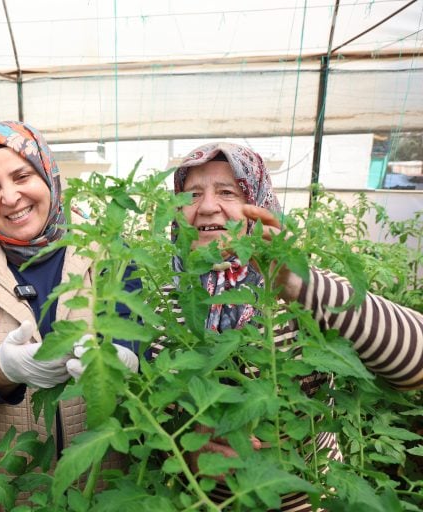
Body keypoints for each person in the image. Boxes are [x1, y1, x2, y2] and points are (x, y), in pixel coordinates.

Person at [153, 142, 423, 511]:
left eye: (228, 192)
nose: (207, 206)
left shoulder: (303, 289)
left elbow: (415, 365)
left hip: (304, 500)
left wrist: (296, 284)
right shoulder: (165, 304)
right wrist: (185, 446)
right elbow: (152, 419)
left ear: (257, 203)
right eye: (192, 194)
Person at [0, 120, 141, 471]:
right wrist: (5, 369)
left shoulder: (108, 254)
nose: (10, 197)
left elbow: (132, 336)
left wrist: (126, 360)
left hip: (105, 479)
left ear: (48, 175)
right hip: (11, 481)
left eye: (22, 176)